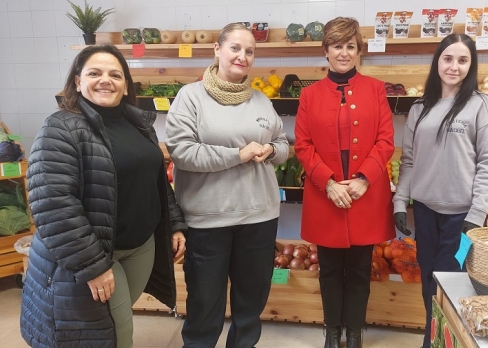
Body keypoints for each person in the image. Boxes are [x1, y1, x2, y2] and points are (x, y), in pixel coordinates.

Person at [20, 44, 188, 348]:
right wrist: (93, 266)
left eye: (115, 74)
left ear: (125, 85)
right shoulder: (60, 128)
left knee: (106, 326)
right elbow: (54, 206)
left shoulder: (138, 124)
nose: (105, 80)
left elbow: (155, 181)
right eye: (94, 73)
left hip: (140, 248)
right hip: (95, 253)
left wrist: (174, 223)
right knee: (117, 333)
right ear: (77, 82)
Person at [165, 22, 289, 348]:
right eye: (235, 48)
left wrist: (273, 150)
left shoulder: (261, 100)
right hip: (208, 220)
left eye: (249, 51)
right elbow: (183, 152)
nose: (242, 56)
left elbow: (283, 142)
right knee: (205, 305)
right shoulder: (190, 97)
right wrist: (238, 154)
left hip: (259, 218)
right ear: (217, 50)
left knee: (250, 306)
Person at [393, 33, 488, 348]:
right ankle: (434, 338)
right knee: (428, 280)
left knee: (451, 282)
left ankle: (444, 342)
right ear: (437, 61)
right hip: (426, 211)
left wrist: (478, 213)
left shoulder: (481, 105)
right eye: (448, 58)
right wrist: (401, 202)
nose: (454, 66)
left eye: (463, 60)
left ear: (472, 64)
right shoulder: (420, 108)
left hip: (461, 216)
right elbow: (409, 161)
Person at [294, 17, 395, 348]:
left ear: (358, 51)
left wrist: (365, 178)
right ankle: (332, 332)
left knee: (360, 271)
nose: (344, 53)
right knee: (330, 271)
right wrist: (328, 183)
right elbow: (303, 145)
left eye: (350, 46)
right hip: (327, 196)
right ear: (326, 51)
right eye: (337, 46)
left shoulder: (376, 89)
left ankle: (354, 334)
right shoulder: (309, 95)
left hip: (364, 195)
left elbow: (385, 140)